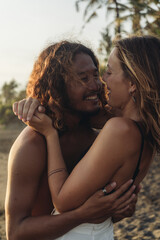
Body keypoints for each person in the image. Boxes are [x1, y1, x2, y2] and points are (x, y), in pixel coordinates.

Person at [22, 35, 160, 239]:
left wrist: (50, 134)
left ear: (132, 84)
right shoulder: (146, 132)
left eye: (109, 72)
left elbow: (61, 200)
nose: (102, 81)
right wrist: (41, 99)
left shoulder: (120, 129)